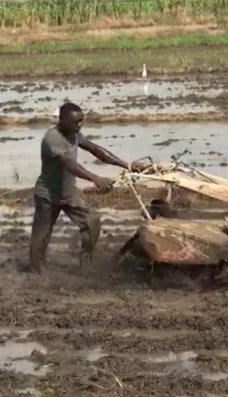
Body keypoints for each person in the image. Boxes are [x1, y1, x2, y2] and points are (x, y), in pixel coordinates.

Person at [30, 101, 145, 273]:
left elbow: (96, 150)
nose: (80, 125)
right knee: (42, 235)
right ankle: (36, 271)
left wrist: (125, 165)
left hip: (68, 193)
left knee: (92, 222)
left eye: (81, 121)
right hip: (47, 194)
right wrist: (95, 178)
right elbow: (69, 165)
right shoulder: (52, 138)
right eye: (76, 122)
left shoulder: (75, 134)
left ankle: (85, 262)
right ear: (62, 121)